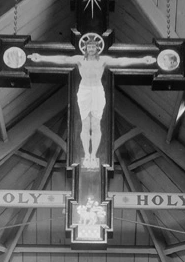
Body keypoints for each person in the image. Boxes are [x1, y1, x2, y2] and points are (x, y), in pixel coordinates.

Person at [27, 34, 155, 168]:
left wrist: (142, 60)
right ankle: (86, 154)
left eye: (94, 46)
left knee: (95, 124)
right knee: (85, 124)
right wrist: (41, 58)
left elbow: (121, 61)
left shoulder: (102, 60)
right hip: (84, 91)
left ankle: (93, 154)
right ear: (85, 48)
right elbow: (63, 59)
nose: (92, 49)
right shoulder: (80, 60)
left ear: (98, 48)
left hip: (97, 91)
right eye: (89, 46)